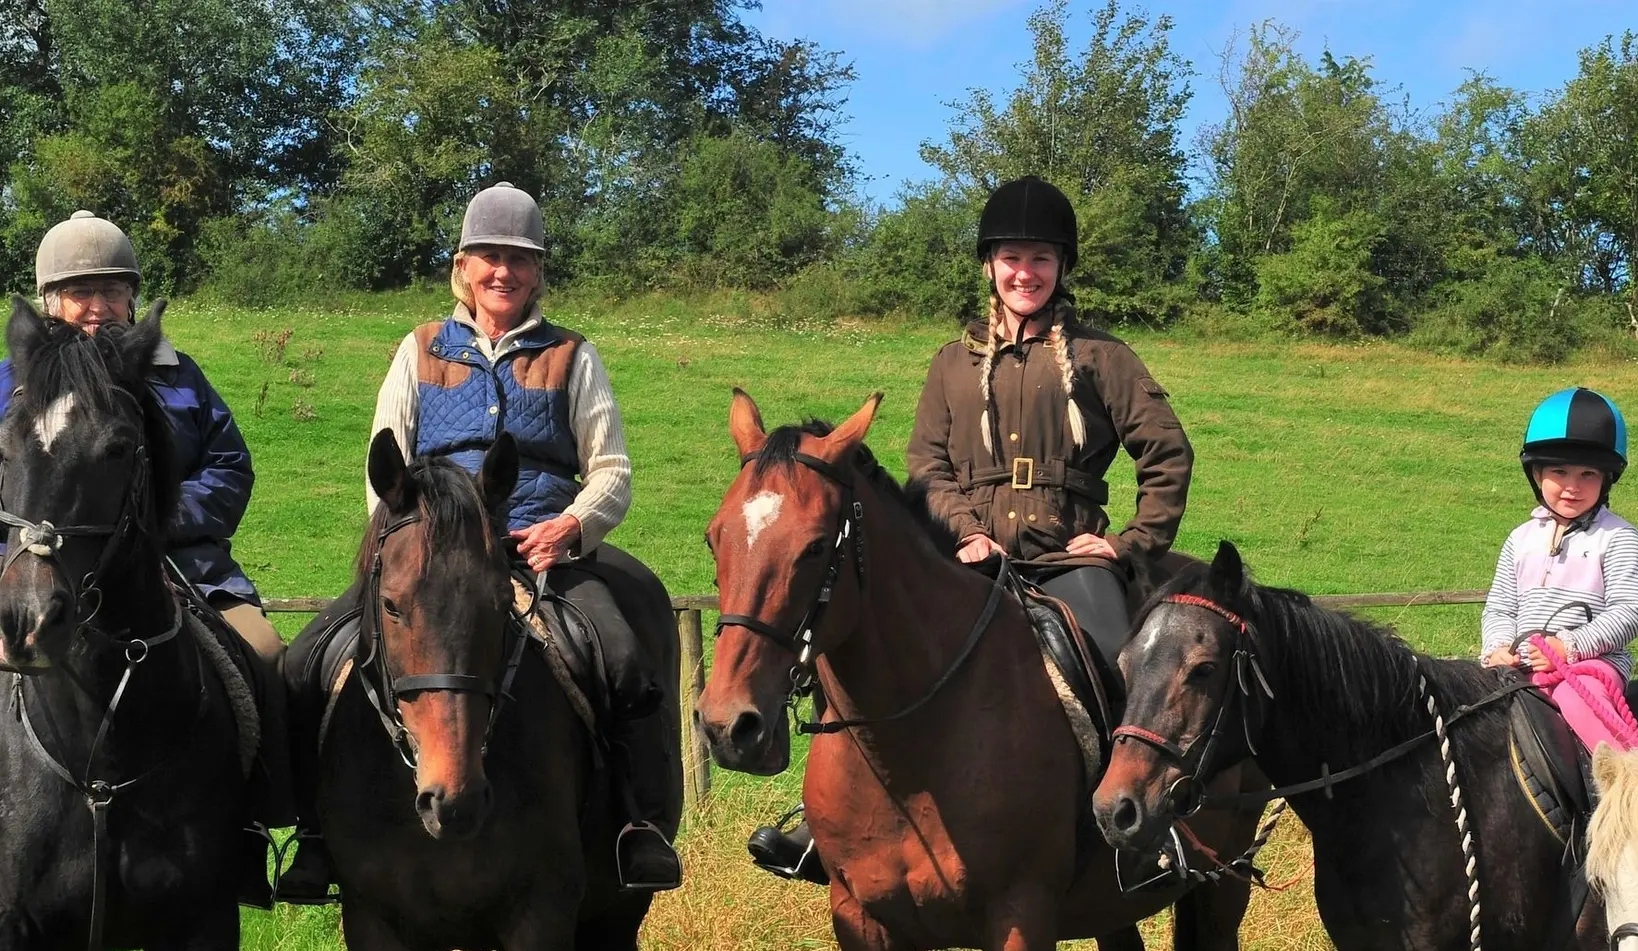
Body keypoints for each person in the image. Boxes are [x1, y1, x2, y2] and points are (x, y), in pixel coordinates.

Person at [748, 175, 1193, 882]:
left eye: (1041, 259)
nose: (1026, 273)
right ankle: (826, 821)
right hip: (967, 557)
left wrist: (1128, 544)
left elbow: (1167, 454)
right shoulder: (953, 364)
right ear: (989, 265)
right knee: (872, 645)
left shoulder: (1102, 358)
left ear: (1062, 267)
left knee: (1115, 662)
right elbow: (926, 463)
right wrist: (962, 532)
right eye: (1012, 258)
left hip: (1067, 561)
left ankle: (1138, 833)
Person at [275, 182, 680, 901]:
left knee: (623, 660)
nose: (503, 272)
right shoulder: (420, 348)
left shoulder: (572, 355)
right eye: (489, 257)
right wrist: (404, 545)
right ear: (462, 266)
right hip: (430, 559)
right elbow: (385, 458)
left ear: (538, 271)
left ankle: (637, 825)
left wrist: (572, 526)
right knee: (304, 662)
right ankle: (313, 834)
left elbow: (612, 469)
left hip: (539, 552)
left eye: (519, 259)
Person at [0, 210, 290, 901]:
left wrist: (158, 524)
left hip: (183, 572)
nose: (97, 307)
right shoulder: (14, 381)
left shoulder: (178, 375)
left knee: (268, 654)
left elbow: (229, 467)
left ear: (132, 297)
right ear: (50, 301)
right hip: (41, 571)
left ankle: (259, 828)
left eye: (111, 290)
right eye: (80, 292)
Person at [1480, 387, 1638, 751]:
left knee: (1577, 700)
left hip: (1591, 667)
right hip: (1521, 669)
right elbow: (1500, 608)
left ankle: (1633, 775)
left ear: (1606, 479)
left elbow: (1626, 613)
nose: (1573, 487)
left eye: (1588, 474)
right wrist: (1497, 648)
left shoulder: (1619, 538)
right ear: (1537, 473)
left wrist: (1568, 646)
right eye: (1559, 471)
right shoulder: (1520, 539)